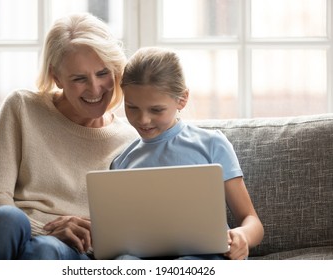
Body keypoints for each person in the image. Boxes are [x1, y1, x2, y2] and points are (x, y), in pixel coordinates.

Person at [0, 13, 138, 260]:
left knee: (45, 250)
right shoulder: (22, 107)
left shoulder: (130, 141)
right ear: (56, 76)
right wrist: (42, 230)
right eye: (79, 78)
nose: (94, 88)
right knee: (10, 220)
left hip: (65, 252)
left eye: (103, 73)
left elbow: (128, 226)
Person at [111, 47, 264, 260]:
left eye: (156, 110)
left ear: (182, 99)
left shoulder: (211, 144)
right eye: (132, 107)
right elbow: (120, 232)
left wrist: (242, 236)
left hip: (206, 256)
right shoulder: (123, 161)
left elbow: (251, 220)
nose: (143, 120)